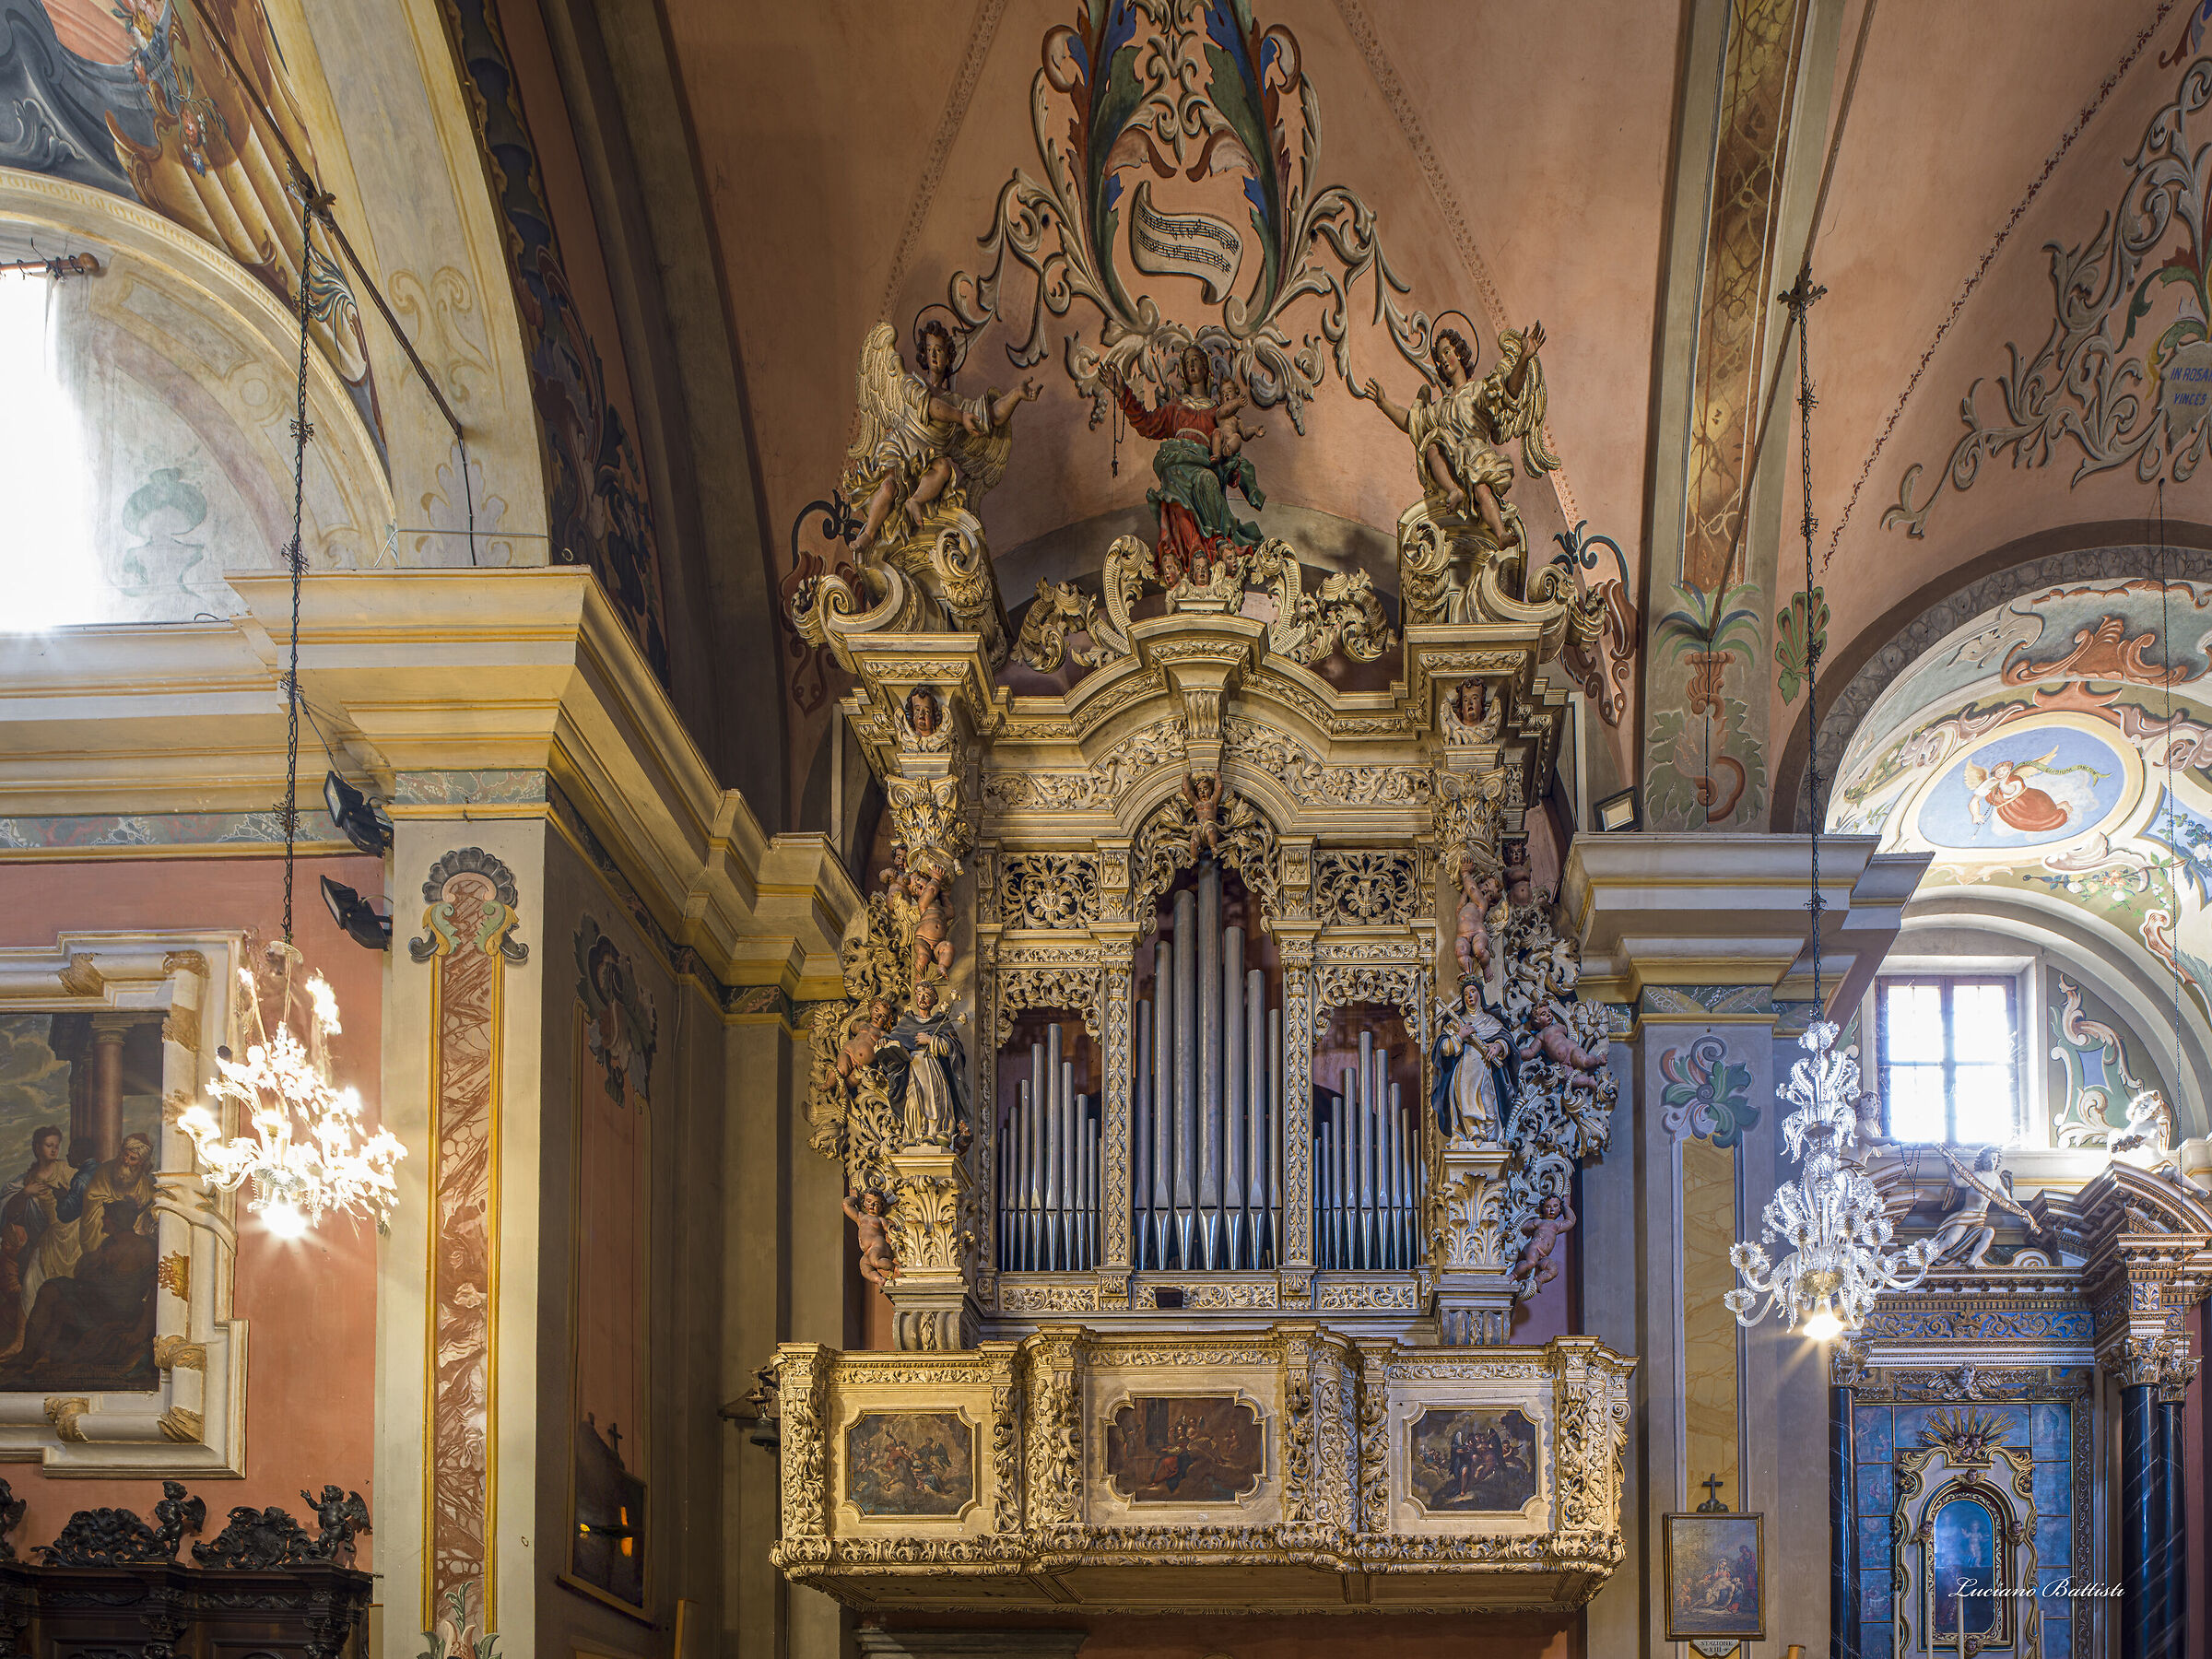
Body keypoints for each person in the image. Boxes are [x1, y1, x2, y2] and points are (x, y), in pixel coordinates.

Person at [1102, 345, 1266, 586]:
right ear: (1182, 372)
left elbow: (1230, 440)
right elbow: (1147, 424)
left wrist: (1232, 461)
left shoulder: (1217, 411)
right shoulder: (1175, 408)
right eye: (1187, 361)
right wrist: (1122, 393)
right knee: (1176, 490)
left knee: (1208, 480)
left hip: (1205, 465)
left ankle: (1215, 540)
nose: (1191, 365)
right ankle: (1191, 550)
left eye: (1197, 360)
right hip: (1178, 464)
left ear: (1206, 369)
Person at [1430, 978, 1513, 1142]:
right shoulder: (1455, 1023)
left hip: (1486, 1070)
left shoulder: (1491, 1022)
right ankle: (1473, 1132)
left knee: (1488, 1101)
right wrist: (1460, 1035)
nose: (1470, 996)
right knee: (1466, 1097)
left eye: (1473, 992)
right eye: (1466, 994)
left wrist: (1498, 1046)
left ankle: (1489, 1135)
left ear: (1480, 994)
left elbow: (1507, 1041)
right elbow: (1443, 1049)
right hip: (1465, 1070)